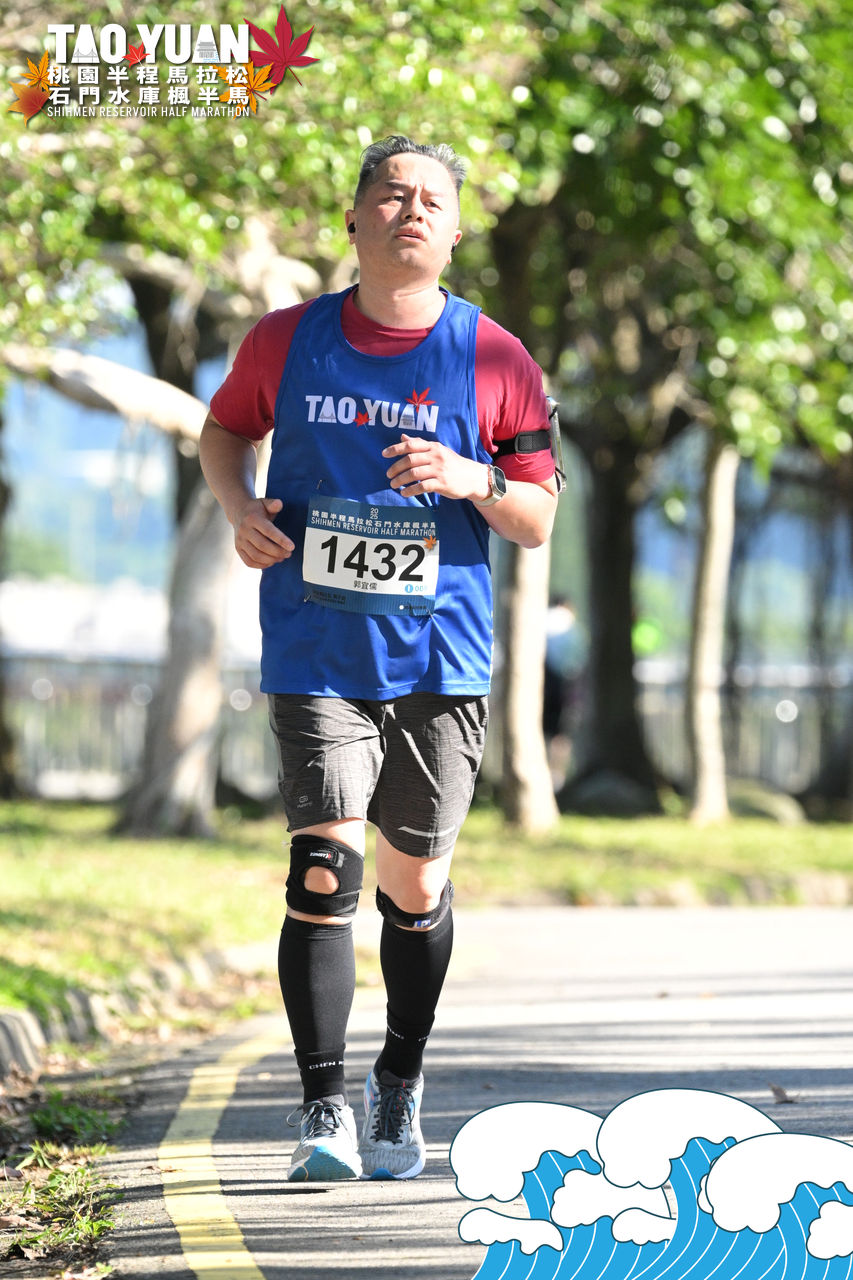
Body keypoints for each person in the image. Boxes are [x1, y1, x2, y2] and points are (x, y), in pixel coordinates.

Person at [199, 134, 558, 1183]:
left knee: (415, 888)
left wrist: (470, 476)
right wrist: (238, 508)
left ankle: (397, 1076)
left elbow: (537, 515)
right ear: (353, 219)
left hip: (442, 654)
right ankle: (321, 1106)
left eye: (432, 200)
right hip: (316, 640)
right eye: (392, 195)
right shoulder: (287, 340)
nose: (411, 211)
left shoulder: (496, 357)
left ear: (454, 232)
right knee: (323, 869)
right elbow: (223, 432)